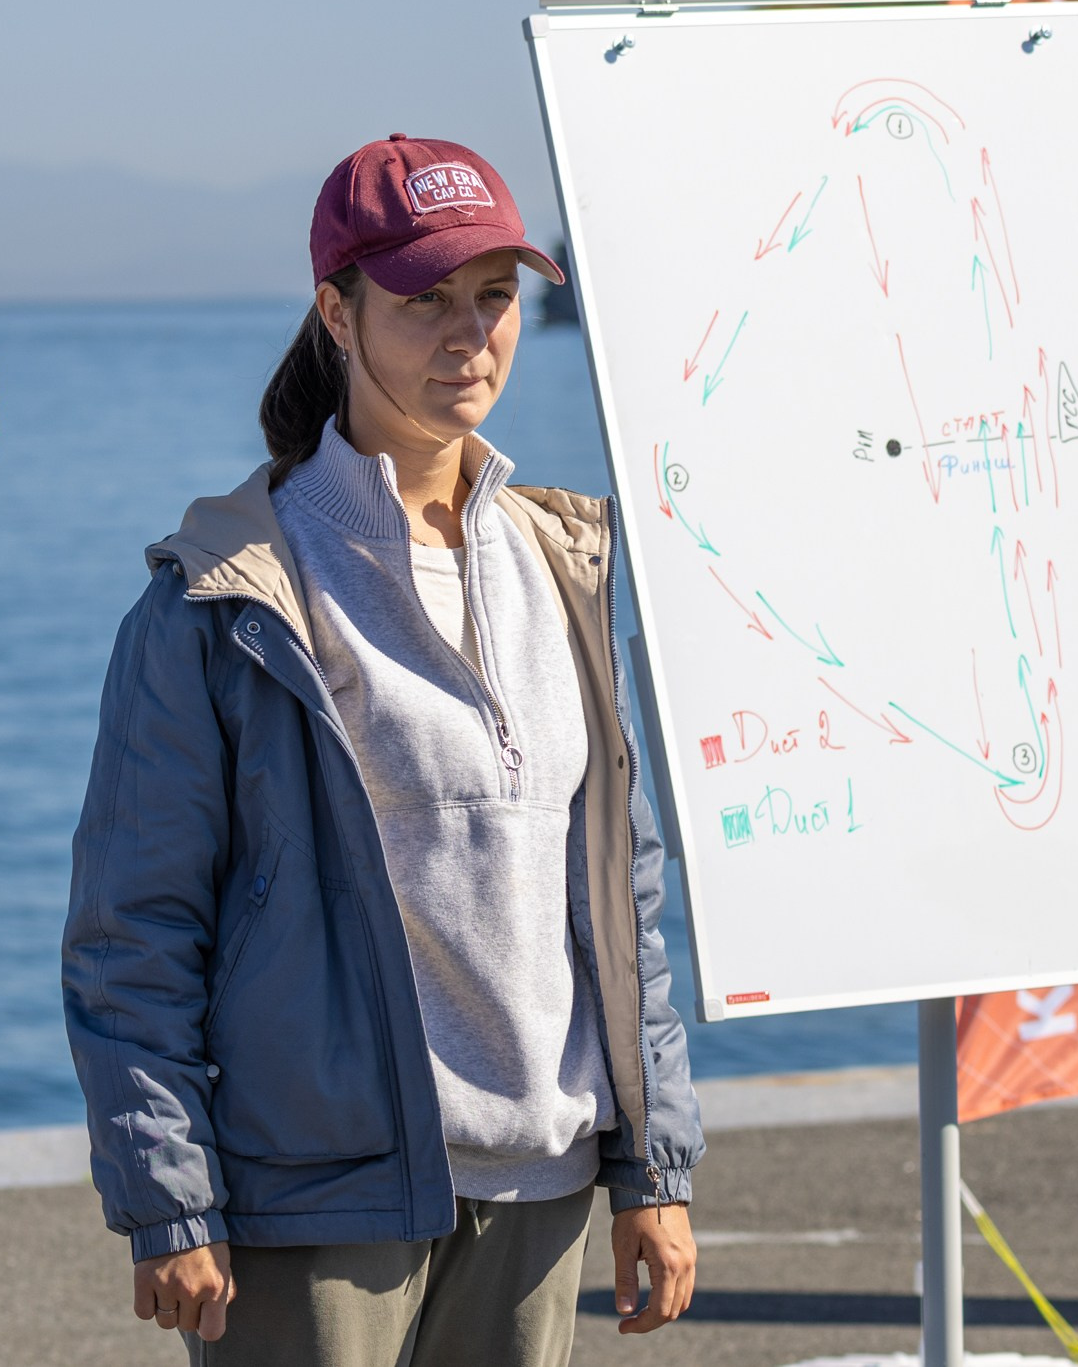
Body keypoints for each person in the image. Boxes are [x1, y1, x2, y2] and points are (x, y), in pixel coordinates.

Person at [62, 135, 702, 1364]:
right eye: (424, 300)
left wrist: (650, 1160)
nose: (470, 334)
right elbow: (130, 929)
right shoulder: (225, 595)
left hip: (542, 1180)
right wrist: (168, 1197)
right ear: (334, 311)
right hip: (315, 1193)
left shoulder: (565, 565)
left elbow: (625, 897)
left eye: (496, 297)